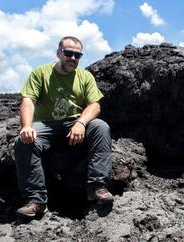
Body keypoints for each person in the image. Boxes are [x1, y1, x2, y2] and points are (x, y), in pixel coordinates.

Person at [14, 36, 113, 218]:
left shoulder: (85, 76)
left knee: (101, 127)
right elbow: (28, 99)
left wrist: (81, 123)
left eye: (78, 55)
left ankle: (97, 188)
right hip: (46, 124)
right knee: (23, 142)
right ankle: (36, 201)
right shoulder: (41, 73)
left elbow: (95, 105)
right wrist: (26, 126)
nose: (73, 58)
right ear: (59, 53)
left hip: (74, 123)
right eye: (68, 53)